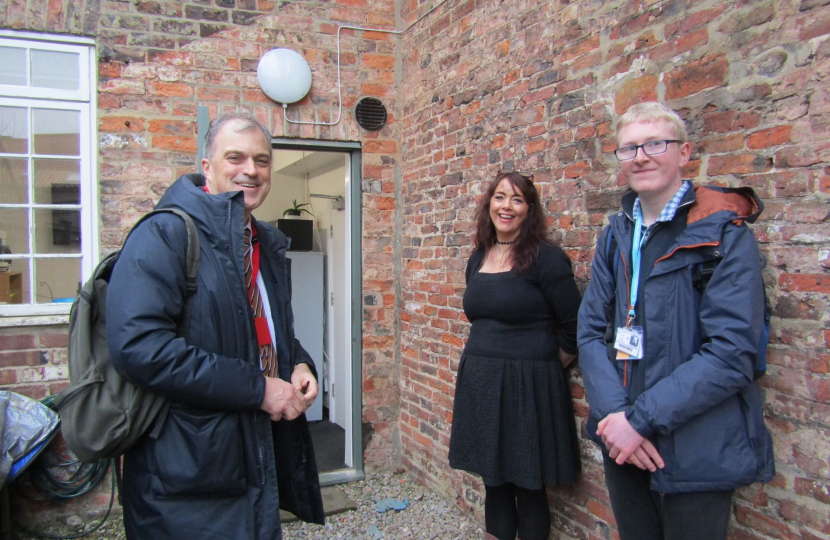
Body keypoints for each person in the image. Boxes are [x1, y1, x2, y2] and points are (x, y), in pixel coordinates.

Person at [106, 112, 324, 539]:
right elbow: (139, 348)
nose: (251, 170)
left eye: (262, 160)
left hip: (254, 460)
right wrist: (259, 388)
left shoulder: (265, 242)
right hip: (186, 477)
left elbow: (269, 331)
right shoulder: (165, 234)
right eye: (236, 157)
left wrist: (299, 364)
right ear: (207, 166)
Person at [577, 102, 775, 540]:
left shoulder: (724, 236)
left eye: (654, 143)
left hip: (695, 447)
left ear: (684, 153)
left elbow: (731, 353)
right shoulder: (616, 235)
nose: (641, 156)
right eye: (629, 148)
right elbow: (590, 332)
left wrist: (639, 422)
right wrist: (616, 417)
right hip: (622, 441)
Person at [449, 171, 582, 540]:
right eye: (500, 197)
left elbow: (575, 326)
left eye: (517, 199)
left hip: (530, 386)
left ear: (529, 209)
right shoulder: (478, 258)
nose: (507, 206)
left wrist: (544, 367)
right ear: (489, 204)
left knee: (528, 484)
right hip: (482, 383)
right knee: (494, 482)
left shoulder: (547, 260)